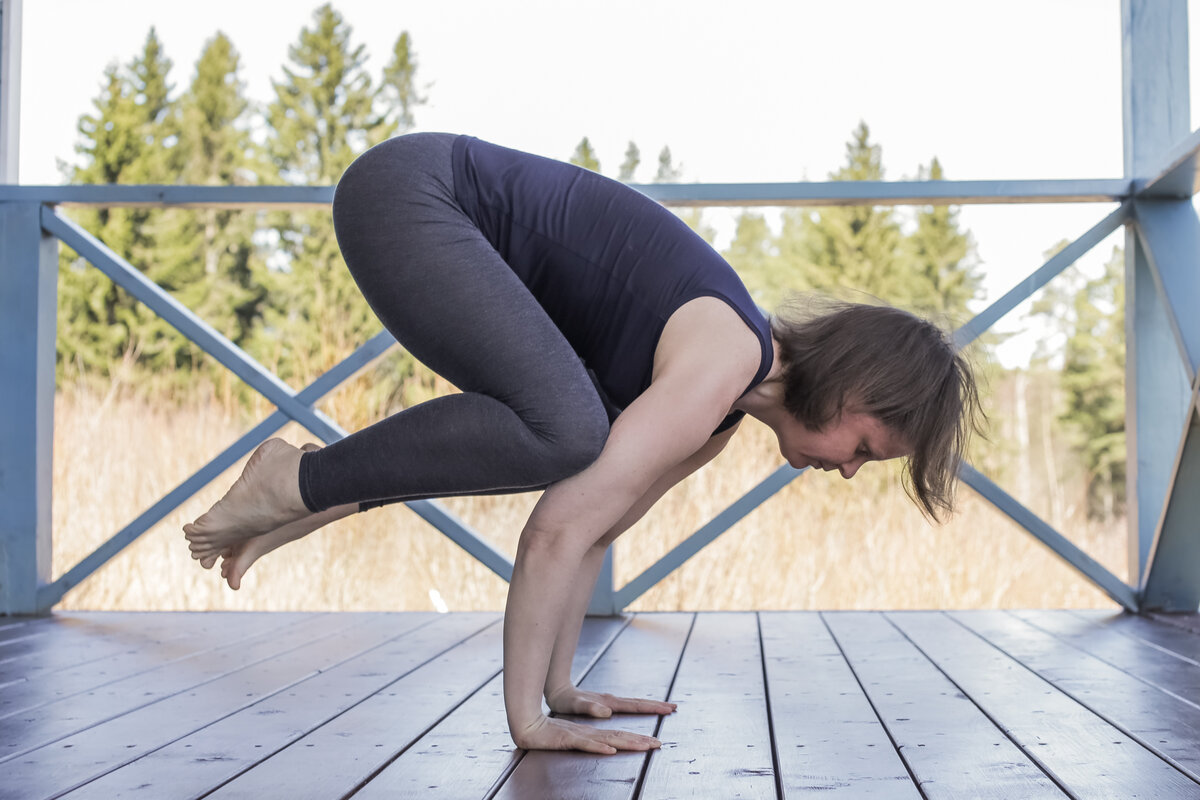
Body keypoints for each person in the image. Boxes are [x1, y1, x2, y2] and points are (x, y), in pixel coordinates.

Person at [183, 132, 981, 756]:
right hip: (415, 195)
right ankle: (301, 482)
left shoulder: (719, 412)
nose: (846, 471)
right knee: (567, 431)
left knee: (560, 433)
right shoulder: (724, 355)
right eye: (865, 449)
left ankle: (297, 499)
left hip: (427, 212)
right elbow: (555, 529)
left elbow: (595, 531)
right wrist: (527, 720)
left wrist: (563, 689)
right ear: (851, 390)